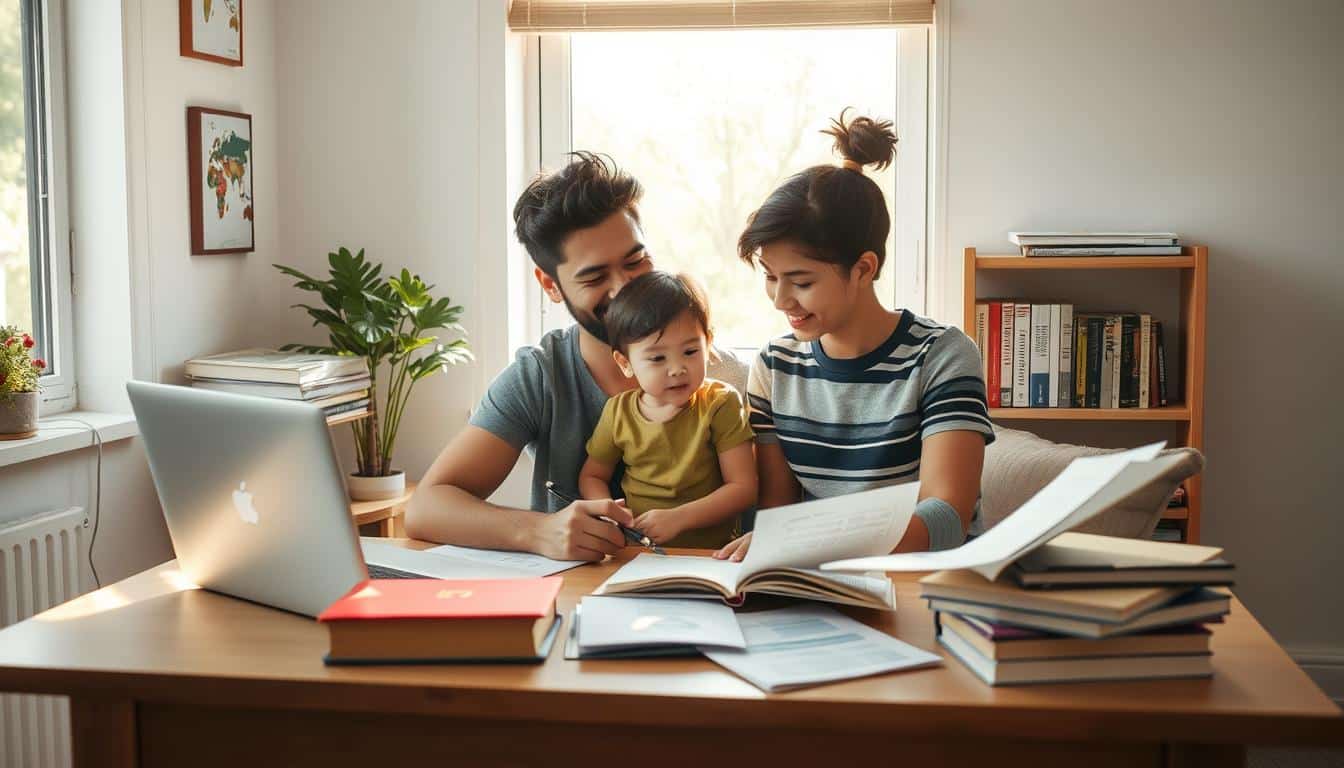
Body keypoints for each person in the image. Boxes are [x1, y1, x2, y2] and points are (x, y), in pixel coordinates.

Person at [404, 152, 745, 561]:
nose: (624, 287)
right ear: (550, 285)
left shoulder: (725, 378)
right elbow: (426, 508)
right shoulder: (540, 376)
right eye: (595, 277)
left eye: (636, 261)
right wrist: (537, 530)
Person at [714, 111, 994, 561]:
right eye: (770, 277)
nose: (780, 299)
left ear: (864, 268)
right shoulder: (775, 366)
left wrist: (815, 542)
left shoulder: (942, 355)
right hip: (816, 578)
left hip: (922, 578)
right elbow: (777, 513)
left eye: (801, 282)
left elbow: (947, 517)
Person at [578, 271, 757, 548]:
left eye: (690, 352)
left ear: (707, 344)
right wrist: (609, 512)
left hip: (710, 555)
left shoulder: (721, 404)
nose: (677, 369)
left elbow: (743, 488)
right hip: (639, 552)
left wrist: (679, 518)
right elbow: (592, 475)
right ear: (625, 362)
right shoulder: (618, 412)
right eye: (658, 358)